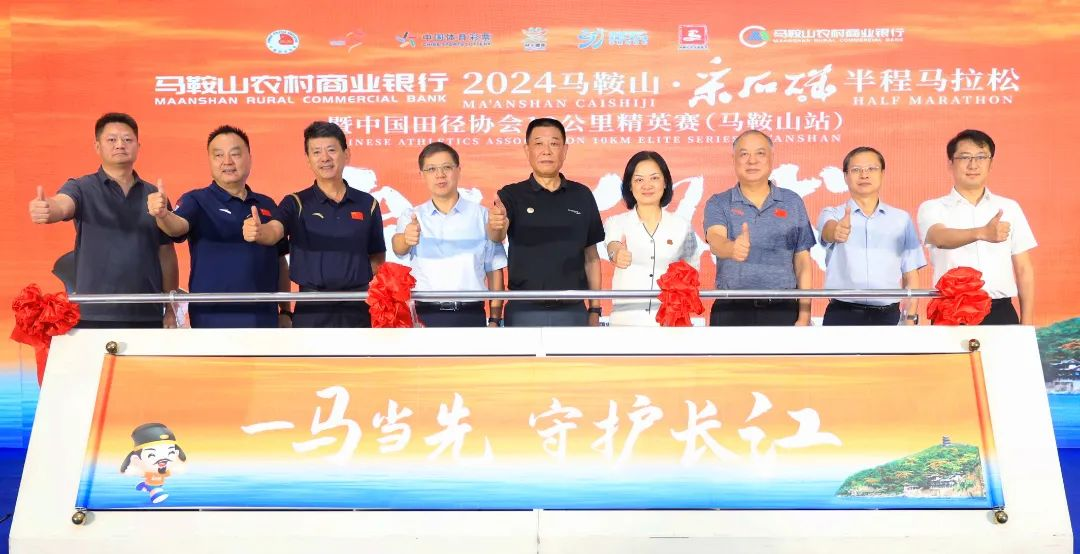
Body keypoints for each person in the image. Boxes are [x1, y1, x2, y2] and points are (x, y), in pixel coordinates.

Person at [27, 112, 178, 328]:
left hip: (147, 312)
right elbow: (62, 204)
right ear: (97, 147)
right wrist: (48, 209)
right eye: (111, 139)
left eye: (127, 139)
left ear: (138, 146)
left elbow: (166, 255)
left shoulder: (155, 196)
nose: (120, 145)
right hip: (93, 312)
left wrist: (170, 307)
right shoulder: (81, 187)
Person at [147, 125, 289, 328]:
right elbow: (176, 226)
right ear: (210, 161)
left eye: (235, 154)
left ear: (250, 158)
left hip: (264, 318)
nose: (227, 162)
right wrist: (163, 215)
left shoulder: (267, 204)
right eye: (219, 155)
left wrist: (285, 310)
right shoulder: (196, 200)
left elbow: (280, 261)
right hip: (212, 318)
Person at [487, 118, 604, 327]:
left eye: (554, 144)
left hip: (572, 309)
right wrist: (496, 224)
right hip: (523, 309)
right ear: (527, 150)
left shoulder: (582, 195)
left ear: (565, 150)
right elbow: (497, 236)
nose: (546, 151)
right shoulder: (512, 194)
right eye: (539, 143)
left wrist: (595, 308)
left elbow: (592, 258)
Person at [917, 129, 1036, 325]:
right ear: (950, 163)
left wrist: (1027, 322)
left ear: (991, 163)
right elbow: (939, 237)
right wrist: (982, 233)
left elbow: (1023, 268)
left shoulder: (1009, 207)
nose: (973, 164)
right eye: (965, 157)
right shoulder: (933, 207)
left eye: (981, 157)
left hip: (1000, 311)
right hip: (951, 310)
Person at [277, 121, 386, 327]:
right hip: (311, 308)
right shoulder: (295, 202)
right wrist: (260, 231)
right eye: (316, 152)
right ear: (308, 160)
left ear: (346, 154)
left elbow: (377, 256)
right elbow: (274, 232)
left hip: (357, 306)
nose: (325, 158)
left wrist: (351, 280)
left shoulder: (367, 203)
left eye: (331, 150)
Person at [703, 130, 815, 326]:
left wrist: (804, 315)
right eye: (744, 154)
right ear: (734, 159)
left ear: (772, 158)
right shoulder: (719, 202)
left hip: (783, 309)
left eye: (760, 153)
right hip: (731, 309)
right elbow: (715, 240)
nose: (752, 160)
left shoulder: (792, 201)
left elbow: (802, 262)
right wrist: (731, 248)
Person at [391, 142, 507, 327]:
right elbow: (398, 248)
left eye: (447, 167)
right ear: (422, 175)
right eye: (431, 169)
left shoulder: (483, 216)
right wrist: (406, 238)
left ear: (458, 170)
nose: (440, 175)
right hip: (425, 315)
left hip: (471, 313)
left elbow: (494, 270)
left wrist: (494, 318)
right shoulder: (412, 216)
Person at [817, 147, 926, 325]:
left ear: (882, 174)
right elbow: (829, 231)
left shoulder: (901, 219)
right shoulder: (832, 214)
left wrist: (910, 317)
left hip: (889, 315)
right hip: (842, 313)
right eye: (856, 170)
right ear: (845, 176)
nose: (864, 175)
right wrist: (836, 231)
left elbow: (910, 274)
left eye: (871, 169)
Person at [603, 151, 699, 326]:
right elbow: (612, 246)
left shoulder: (682, 226)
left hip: (670, 324)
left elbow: (692, 271)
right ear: (629, 186)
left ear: (665, 182)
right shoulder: (616, 222)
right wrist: (616, 254)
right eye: (639, 180)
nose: (647, 185)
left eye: (654, 178)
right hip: (626, 323)